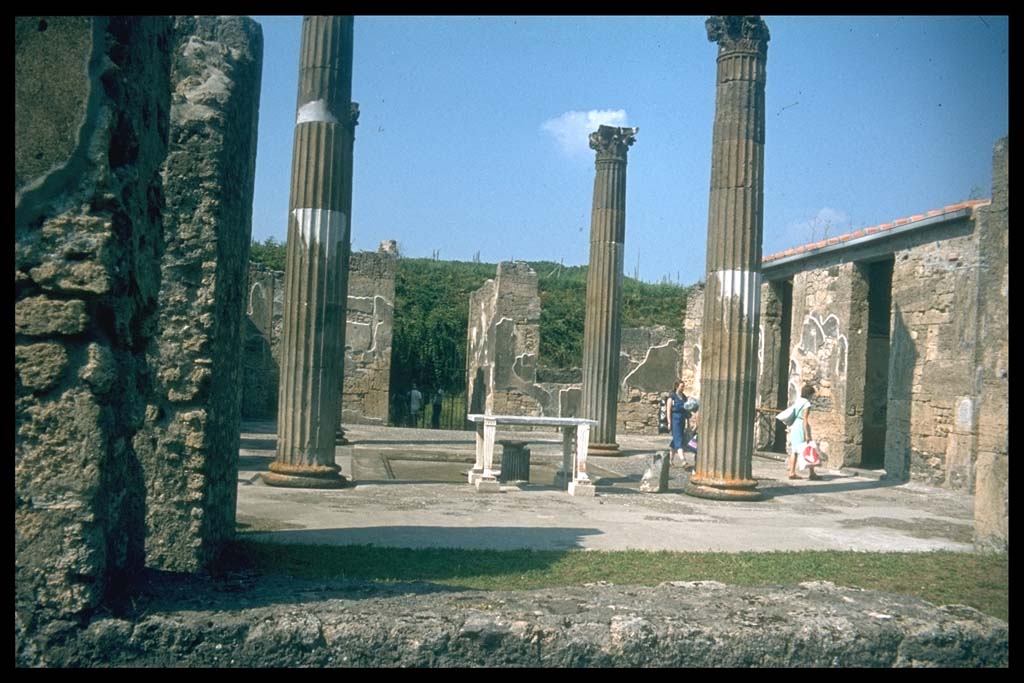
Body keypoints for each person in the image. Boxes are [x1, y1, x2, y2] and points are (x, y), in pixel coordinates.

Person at [785, 384, 821, 481]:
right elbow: (805, 419)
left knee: (794, 450)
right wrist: (807, 434)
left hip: (795, 425)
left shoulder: (798, 401)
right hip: (801, 425)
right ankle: (812, 473)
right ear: (810, 394)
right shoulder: (807, 404)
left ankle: (792, 472)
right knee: (809, 448)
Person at [666, 380, 692, 470]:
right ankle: (684, 461)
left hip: (682, 420)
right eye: (682, 386)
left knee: (675, 441)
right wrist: (669, 422)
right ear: (677, 386)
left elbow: (687, 411)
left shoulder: (684, 397)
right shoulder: (672, 397)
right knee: (679, 441)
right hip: (675, 420)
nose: (683, 388)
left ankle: (669, 461)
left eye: (683, 386)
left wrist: (688, 423)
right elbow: (668, 410)